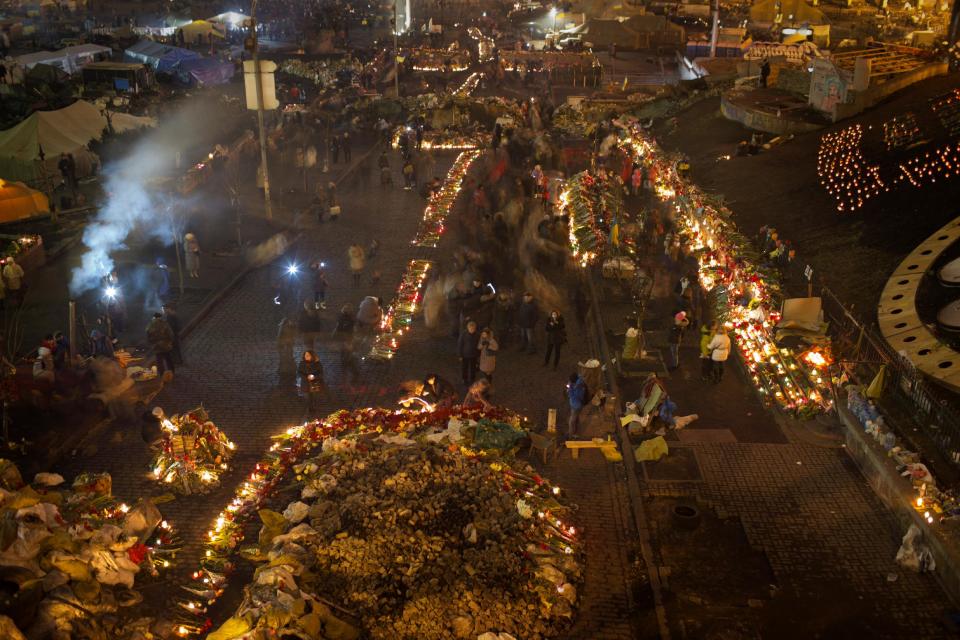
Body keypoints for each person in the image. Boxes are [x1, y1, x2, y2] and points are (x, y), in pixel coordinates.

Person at [146, 312, 176, 378]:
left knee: (159, 361)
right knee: (168, 359)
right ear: (160, 317)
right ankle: (172, 372)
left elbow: (148, 335)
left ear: (154, 317)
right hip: (166, 345)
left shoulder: (150, 325)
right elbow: (171, 334)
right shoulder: (165, 323)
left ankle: (162, 374)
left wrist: (152, 343)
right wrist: (171, 342)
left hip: (156, 346)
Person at [297, 350, 327, 416]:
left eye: (308, 355)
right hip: (305, 384)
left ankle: (315, 411)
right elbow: (299, 373)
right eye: (305, 355)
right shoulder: (302, 363)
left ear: (312, 356)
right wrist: (306, 376)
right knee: (307, 398)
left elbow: (321, 374)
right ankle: (309, 410)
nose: (306, 356)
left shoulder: (317, 363)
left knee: (315, 398)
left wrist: (314, 376)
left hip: (315, 385)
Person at [458, 320, 481, 386]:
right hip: (465, 355)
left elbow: (479, 345)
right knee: (464, 368)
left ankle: (472, 378)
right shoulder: (463, 335)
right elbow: (460, 345)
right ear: (468, 328)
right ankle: (464, 379)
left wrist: (478, 354)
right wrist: (460, 355)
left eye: (473, 328)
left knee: (473, 368)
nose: (472, 330)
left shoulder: (477, 335)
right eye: (470, 328)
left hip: (474, 355)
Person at [566, 373, 588, 439]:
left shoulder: (580, 388)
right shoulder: (578, 380)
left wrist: (570, 390)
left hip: (576, 406)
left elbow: (576, 397)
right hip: (574, 404)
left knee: (571, 421)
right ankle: (575, 431)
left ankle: (571, 435)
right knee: (575, 418)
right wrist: (570, 386)